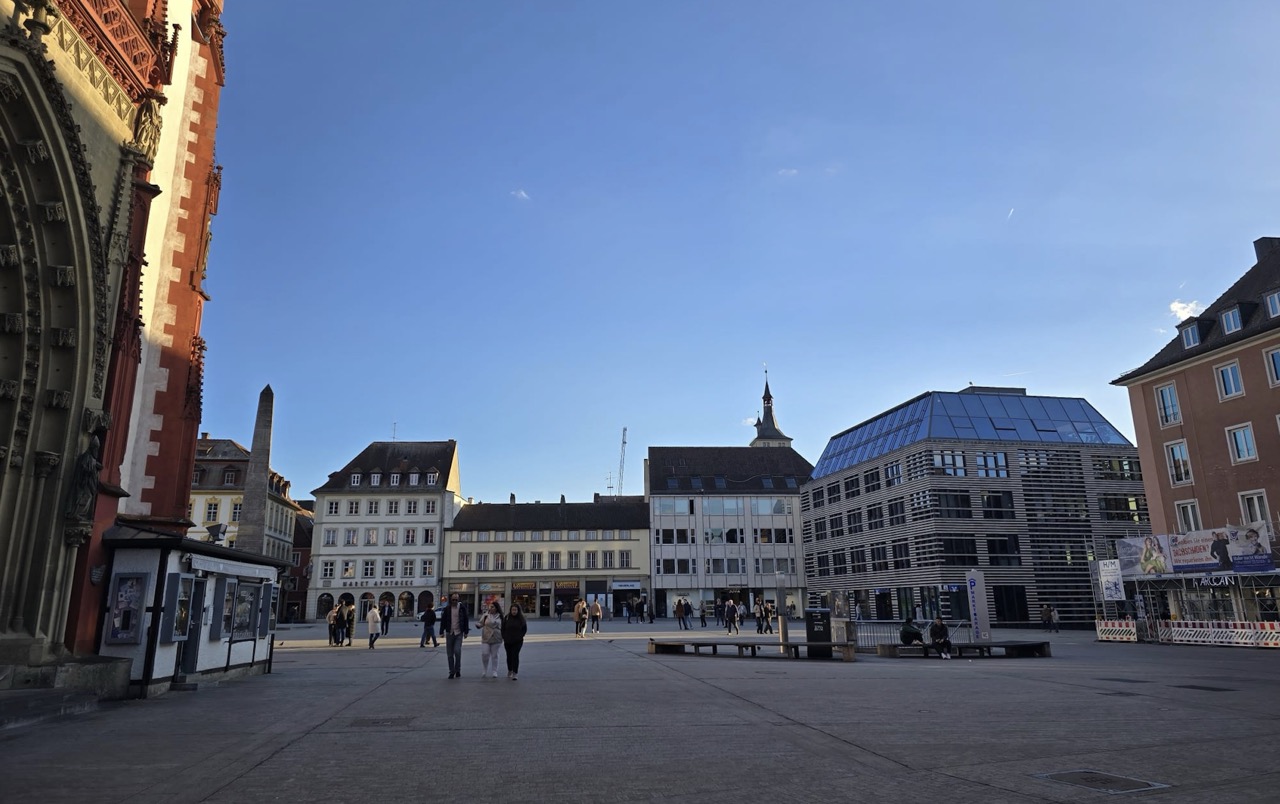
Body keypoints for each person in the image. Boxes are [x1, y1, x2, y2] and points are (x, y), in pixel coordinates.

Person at [440, 593, 470, 678]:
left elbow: (466, 619)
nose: (454, 601)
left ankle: (458, 670)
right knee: (450, 654)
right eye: (453, 600)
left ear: (458, 600)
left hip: (458, 632)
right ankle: (451, 671)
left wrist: (466, 631)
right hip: (450, 632)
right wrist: (441, 631)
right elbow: (443, 620)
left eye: (456, 600)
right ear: (451, 600)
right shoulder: (447, 609)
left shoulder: (462, 608)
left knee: (457, 651)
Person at [478, 602, 504, 678]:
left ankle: (494, 671)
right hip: (486, 637)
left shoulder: (501, 616)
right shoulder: (486, 615)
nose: (490, 608)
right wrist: (478, 625)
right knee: (485, 654)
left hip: (497, 637)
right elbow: (481, 623)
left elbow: (503, 626)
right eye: (490, 607)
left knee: (495, 655)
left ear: (496, 608)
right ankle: (484, 669)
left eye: (492, 607)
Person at [502, 603, 528, 680]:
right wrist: (504, 637)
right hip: (508, 641)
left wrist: (520, 636)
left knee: (515, 655)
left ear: (518, 610)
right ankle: (510, 670)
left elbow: (524, 629)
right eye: (512, 610)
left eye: (515, 610)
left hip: (517, 641)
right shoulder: (507, 617)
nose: (514, 611)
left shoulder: (521, 618)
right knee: (509, 656)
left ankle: (515, 673)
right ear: (510, 610)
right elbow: (503, 628)